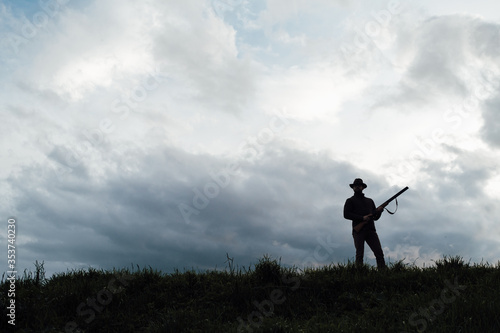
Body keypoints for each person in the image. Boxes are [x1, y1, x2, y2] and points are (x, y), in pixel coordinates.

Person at [343, 178, 386, 269]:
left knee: (379, 253)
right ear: (353, 188)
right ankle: (359, 274)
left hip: (371, 230)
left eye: (359, 185)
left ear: (363, 187)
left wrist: (380, 212)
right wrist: (362, 218)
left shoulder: (370, 201)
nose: (357, 187)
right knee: (359, 254)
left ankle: (383, 273)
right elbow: (346, 214)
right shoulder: (350, 201)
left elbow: (375, 218)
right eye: (356, 185)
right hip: (359, 231)